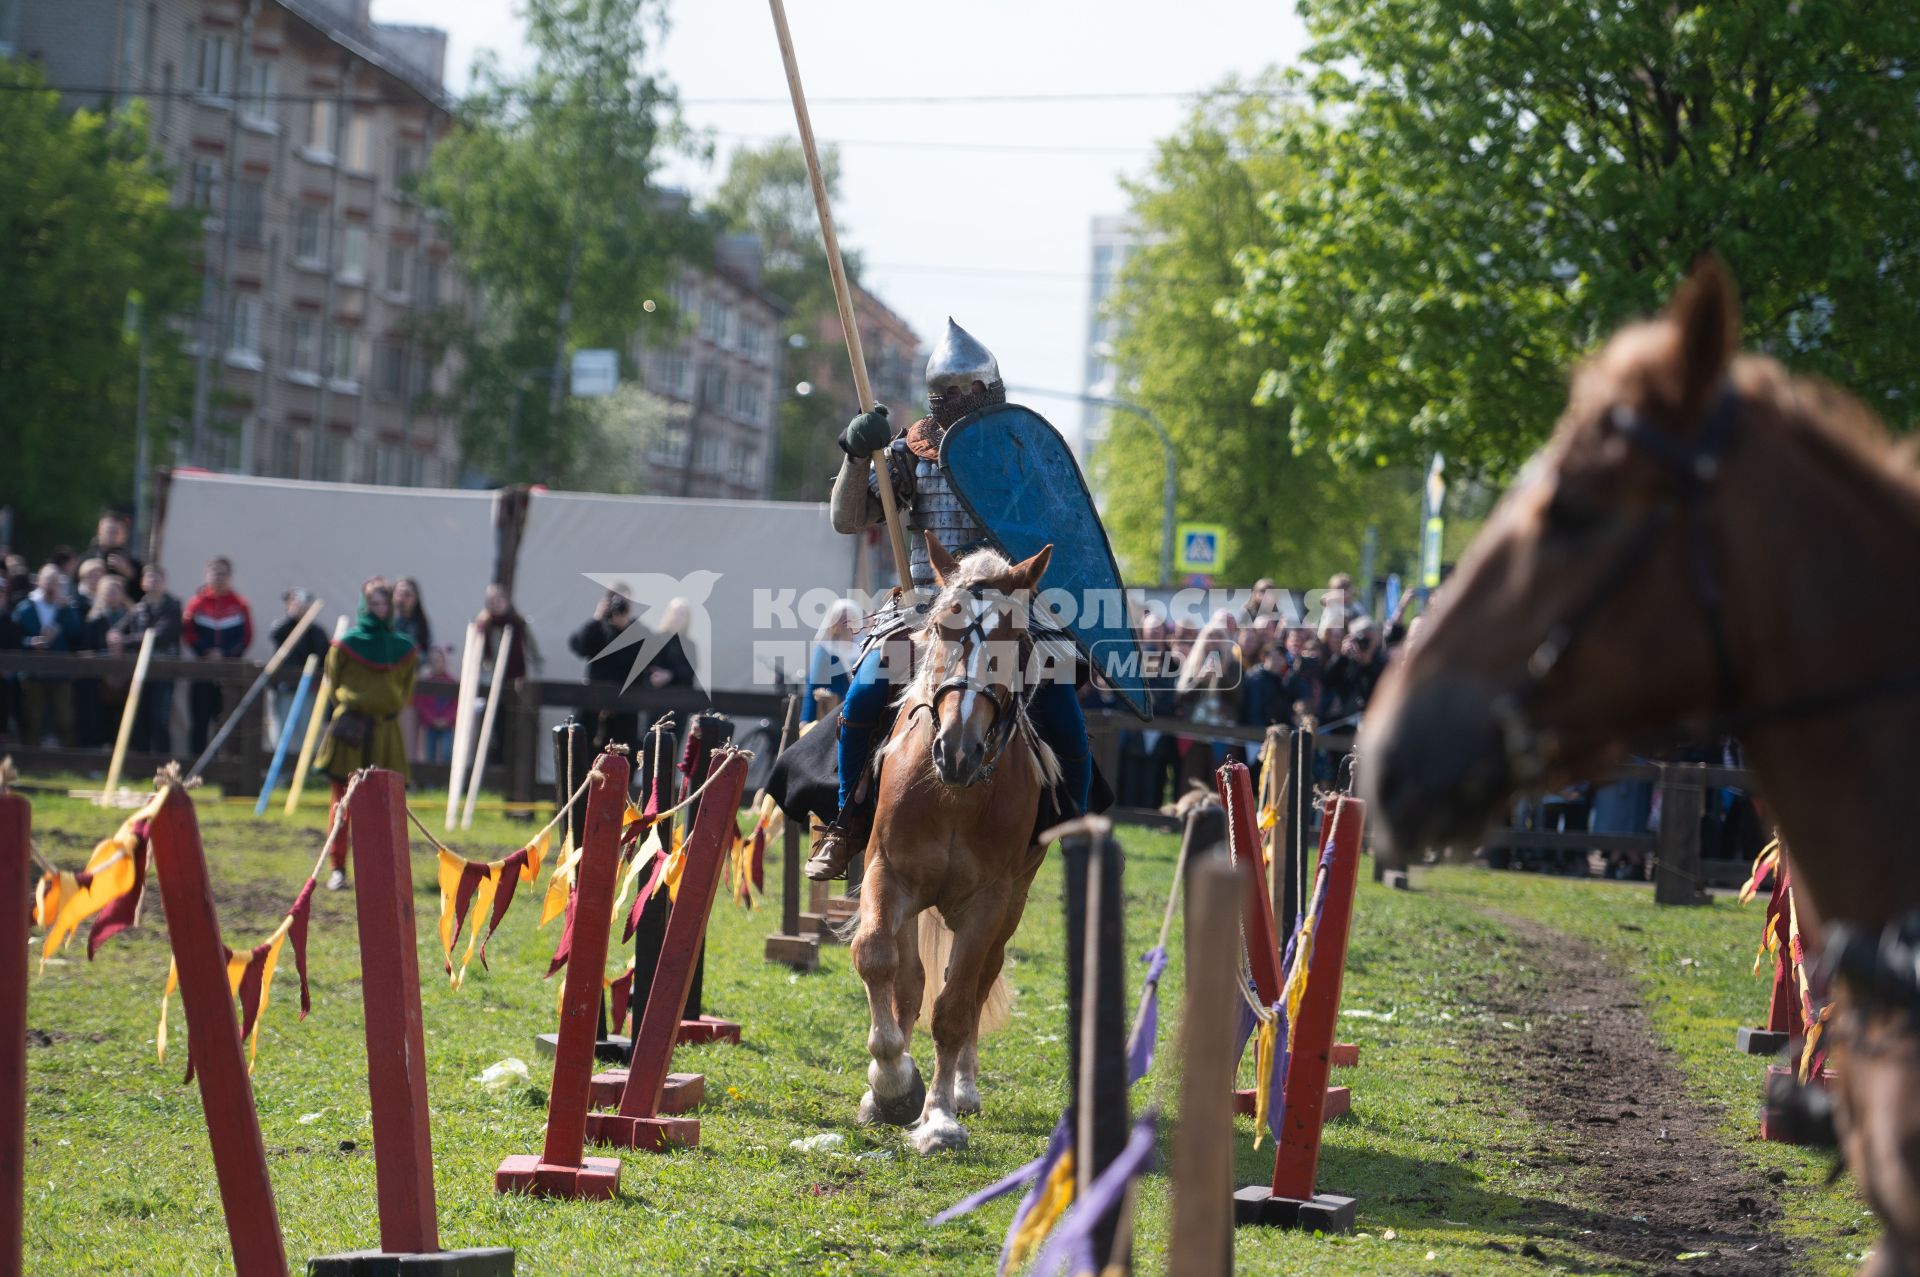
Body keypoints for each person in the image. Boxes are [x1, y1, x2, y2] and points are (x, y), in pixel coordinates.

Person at [810, 319, 1112, 880]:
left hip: (1010, 609)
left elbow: (1067, 536)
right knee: (863, 696)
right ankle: (846, 821)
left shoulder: (1027, 451)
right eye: (948, 391)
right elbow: (847, 519)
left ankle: (1074, 831)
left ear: (991, 389)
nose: (960, 399)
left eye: (970, 389)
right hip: (930, 608)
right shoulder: (908, 451)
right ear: (934, 395)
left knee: (1065, 717)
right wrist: (856, 456)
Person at [315, 580, 419, 890]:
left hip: (385, 730)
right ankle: (338, 868)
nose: (380, 609)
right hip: (350, 729)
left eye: (384, 604)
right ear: (364, 605)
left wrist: (383, 708)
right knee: (342, 801)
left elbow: (406, 689)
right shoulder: (343, 645)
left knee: (384, 803)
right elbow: (333, 685)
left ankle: (381, 872)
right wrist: (355, 708)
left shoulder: (404, 648)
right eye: (374, 603)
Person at [182, 557, 253, 756]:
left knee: (226, 719)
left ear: (229, 576)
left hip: (229, 672)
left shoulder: (240, 605)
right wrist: (206, 652)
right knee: (199, 719)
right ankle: (196, 764)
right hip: (202, 670)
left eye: (223, 573)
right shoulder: (196, 604)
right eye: (215, 572)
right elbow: (188, 633)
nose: (218, 577)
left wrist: (225, 654)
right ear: (207, 575)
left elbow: (246, 637)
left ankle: (227, 765)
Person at [12, 564, 87, 745]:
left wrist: (65, 610)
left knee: (64, 719)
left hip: (60, 673)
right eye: (48, 580)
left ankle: (68, 762)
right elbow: (14, 639)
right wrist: (31, 643)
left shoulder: (66, 608)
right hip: (32, 673)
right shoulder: (25, 607)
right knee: (33, 718)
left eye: (55, 581)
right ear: (39, 581)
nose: (52, 585)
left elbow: (76, 634)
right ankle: (32, 763)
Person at [118, 564, 183, 755]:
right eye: (149, 578)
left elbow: (158, 635)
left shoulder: (173, 607)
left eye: (157, 578)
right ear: (142, 582)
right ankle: (140, 765)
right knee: (139, 717)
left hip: (163, 671)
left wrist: (126, 641)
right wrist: (114, 636)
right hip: (140, 672)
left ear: (164, 582)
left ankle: (164, 765)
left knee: (159, 718)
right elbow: (119, 629)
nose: (153, 582)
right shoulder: (137, 609)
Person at [569, 586, 643, 751]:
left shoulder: (638, 629)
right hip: (595, 699)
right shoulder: (598, 628)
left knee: (622, 752)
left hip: (625, 702)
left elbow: (642, 659)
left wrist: (626, 629)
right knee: (588, 749)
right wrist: (596, 618)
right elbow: (579, 647)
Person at [267, 588, 330, 744]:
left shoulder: (316, 631)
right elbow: (275, 635)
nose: (299, 607)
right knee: (282, 735)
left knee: (307, 736)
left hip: (309, 690)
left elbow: (322, 654)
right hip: (285, 688)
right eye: (294, 603)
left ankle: (304, 769)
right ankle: (284, 769)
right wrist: (292, 617)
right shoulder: (282, 627)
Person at [80, 574, 132, 746]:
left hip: (124, 678)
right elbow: (87, 648)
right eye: (108, 592)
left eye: (116, 591)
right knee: (97, 717)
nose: (112, 595)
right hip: (99, 679)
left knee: (121, 717)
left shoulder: (130, 619)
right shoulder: (93, 620)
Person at [802, 598, 863, 723]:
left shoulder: (863, 649)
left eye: (848, 617)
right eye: (840, 618)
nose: (845, 622)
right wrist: (805, 721)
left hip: (855, 713)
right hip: (828, 715)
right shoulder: (825, 649)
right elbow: (814, 685)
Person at [474, 583, 539, 683]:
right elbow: (479, 653)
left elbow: (532, 646)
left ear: (506, 601)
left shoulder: (519, 622)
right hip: (494, 676)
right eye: (492, 601)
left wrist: (536, 665)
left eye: (499, 600)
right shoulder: (484, 625)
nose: (496, 604)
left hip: (519, 674)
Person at [83, 511, 144, 602]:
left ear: (123, 535)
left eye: (116, 532)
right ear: (99, 532)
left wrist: (129, 573)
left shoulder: (132, 562)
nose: (112, 535)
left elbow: (141, 593)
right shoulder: (88, 557)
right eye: (109, 531)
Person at [411, 644, 457, 764]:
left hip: (447, 724)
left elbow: (455, 704)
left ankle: (446, 779)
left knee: (447, 753)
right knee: (429, 754)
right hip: (430, 724)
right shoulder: (425, 682)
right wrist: (432, 720)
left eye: (439, 660)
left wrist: (447, 719)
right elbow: (421, 704)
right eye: (434, 661)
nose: (437, 663)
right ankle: (429, 782)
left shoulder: (452, 682)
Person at [391, 577, 431, 654]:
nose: (402, 598)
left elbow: (427, 649)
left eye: (407, 594)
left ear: (415, 598)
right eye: (399, 594)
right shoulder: (385, 621)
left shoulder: (421, 623)